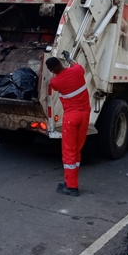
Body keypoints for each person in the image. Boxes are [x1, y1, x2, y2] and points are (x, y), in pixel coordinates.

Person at [46, 51, 90, 197]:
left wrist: (55, 71)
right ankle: (71, 181)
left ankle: (71, 186)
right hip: (85, 114)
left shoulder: (55, 82)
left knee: (68, 151)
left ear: (52, 70)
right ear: (61, 63)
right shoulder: (77, 71)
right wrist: (69, 59)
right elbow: (76, 65)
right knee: (77, 150)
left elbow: (54, 82)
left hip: (72, 117)